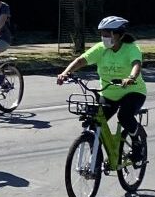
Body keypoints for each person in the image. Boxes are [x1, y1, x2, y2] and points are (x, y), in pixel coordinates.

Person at [57, 16, 147, 165]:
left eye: (108, 34)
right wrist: (65, 73)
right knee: (94, 123)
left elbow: (136, 64)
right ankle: (95, 163)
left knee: (124, 116)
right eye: (102, 34)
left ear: (119, 35)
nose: (104, 38)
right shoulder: (101, 48)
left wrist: (131, 77)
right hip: (108, 93)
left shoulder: (131, 48)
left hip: (132, 92)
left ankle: (137, 142)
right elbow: (81, 60)